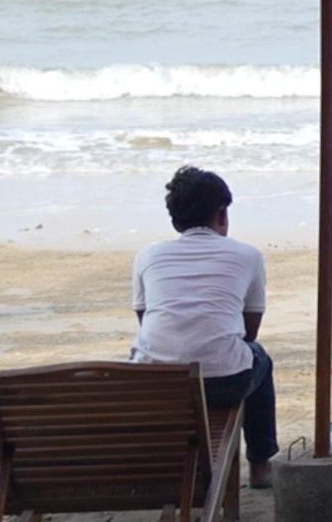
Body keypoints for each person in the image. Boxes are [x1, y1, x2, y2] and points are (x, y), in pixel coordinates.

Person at [132, 166, 277, 488]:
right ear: (222, 214)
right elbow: (249, 332)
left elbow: (146, 321)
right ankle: (260, 465)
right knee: (260, 358)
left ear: (174, 219)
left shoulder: (149, 256)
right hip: (224, 381)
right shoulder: (248, 255)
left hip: (157, 385)